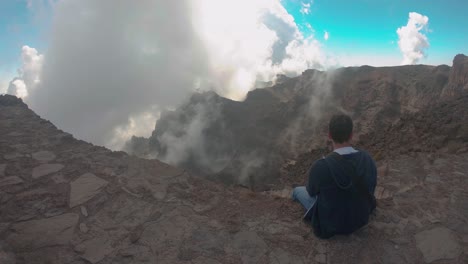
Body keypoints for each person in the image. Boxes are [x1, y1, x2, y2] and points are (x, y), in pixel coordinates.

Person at [292, 114, 377, 238]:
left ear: (330, 136)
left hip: (331, 225)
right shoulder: (367, 159)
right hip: (360, 219)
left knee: (297, 190)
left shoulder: (320, 166)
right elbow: (371, 187)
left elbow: (311, 192)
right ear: (351, 135)